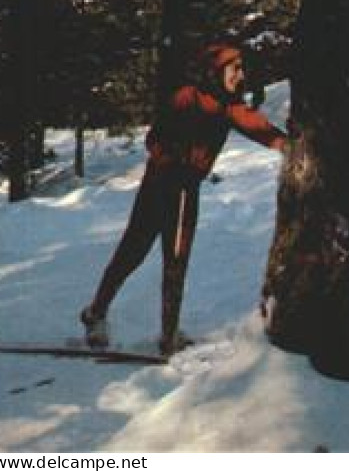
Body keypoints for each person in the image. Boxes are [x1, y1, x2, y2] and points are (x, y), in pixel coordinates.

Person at [80, 42, 289, 355]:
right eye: (235, 68)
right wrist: (173, 161)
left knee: (176, 259)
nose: (240, 75)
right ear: (216, 71)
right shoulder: (186, 97)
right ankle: (96, 313)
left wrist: (292, 146)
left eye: (241, 68)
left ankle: (168, 334)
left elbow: (263, 131)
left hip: (184, 189)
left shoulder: (230, 106)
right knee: (133, 252)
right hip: (160, 186)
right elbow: (155, 138)